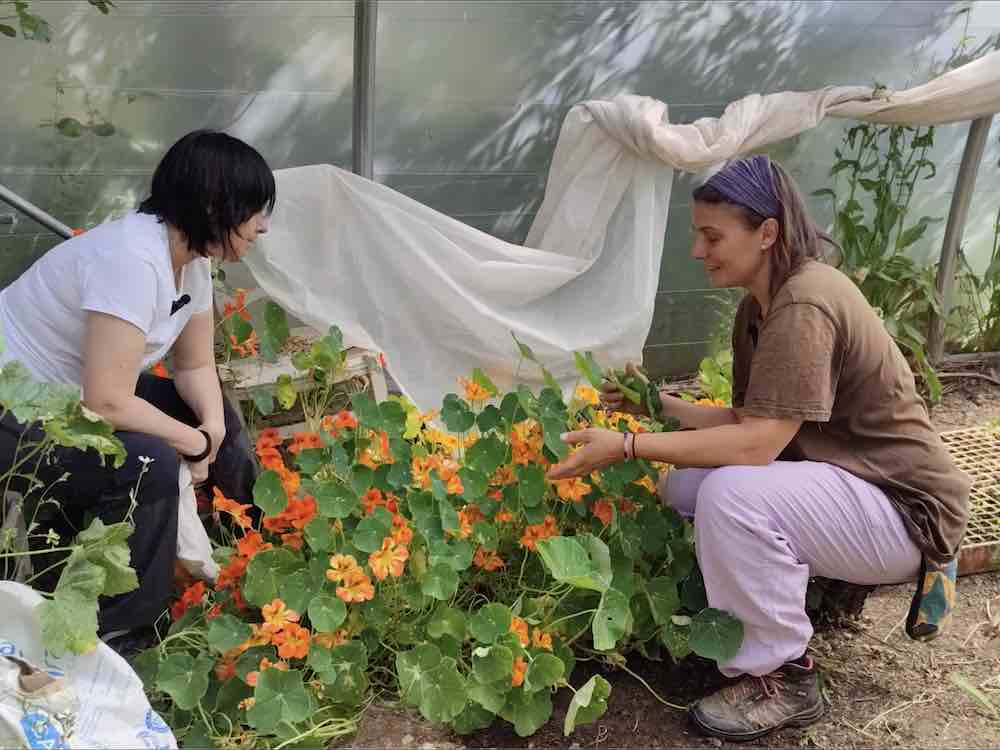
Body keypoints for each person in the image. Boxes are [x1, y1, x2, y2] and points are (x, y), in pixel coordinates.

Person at [547, 155, 971, 742]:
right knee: (686, 485)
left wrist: (626, 445)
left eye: (712, 235)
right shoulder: (760, 307)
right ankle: (795, 606)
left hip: (906, 508)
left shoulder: (804, 303)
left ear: (767, 232)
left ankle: (785, 676)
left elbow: (755, 447)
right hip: (851, 482)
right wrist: (658, 406)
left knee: (731, 494)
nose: (698, 251)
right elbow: (753, 419)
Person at [0, 130, 272, 650]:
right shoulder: (131, 258)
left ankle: (244, 552)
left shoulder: (191, 260)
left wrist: (211, 431)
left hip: (68, 396)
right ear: (214, 205)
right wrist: (190, 445)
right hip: (14, 408)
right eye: (254, 210)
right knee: (147, 461)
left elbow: (193, 366)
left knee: (211, 419)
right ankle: (124, 632)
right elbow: (103, 402)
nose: (262, 226)